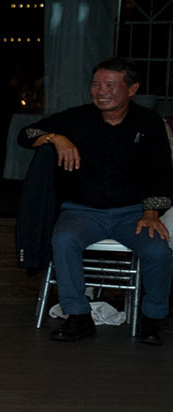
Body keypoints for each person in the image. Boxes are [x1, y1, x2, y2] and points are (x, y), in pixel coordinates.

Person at [20, 58, 173, 345]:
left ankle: (152, 319)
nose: (101, 91)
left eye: (110, 85)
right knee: (63, 241)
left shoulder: (148, 123)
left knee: (158, 252)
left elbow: (162, 173)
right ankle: (78, 316)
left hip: (133, 213)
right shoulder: (77, 118)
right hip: (82, 212)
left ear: (132, 89)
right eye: (96, 84)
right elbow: (26, 134)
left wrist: (151, 212)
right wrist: (56, 138)